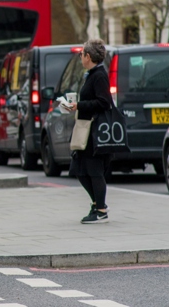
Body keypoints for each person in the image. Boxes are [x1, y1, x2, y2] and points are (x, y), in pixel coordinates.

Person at [68, 38, 112, 224]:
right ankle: (96, 204)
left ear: (88, 56)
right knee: (78, 169)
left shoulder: (99, 75)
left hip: (94, 132)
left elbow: (104, 103)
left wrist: (79, 105)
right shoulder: (92, 74)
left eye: (81, 54)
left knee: (94, 170)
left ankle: (101, 210)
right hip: (86, 129)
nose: (80, 57)